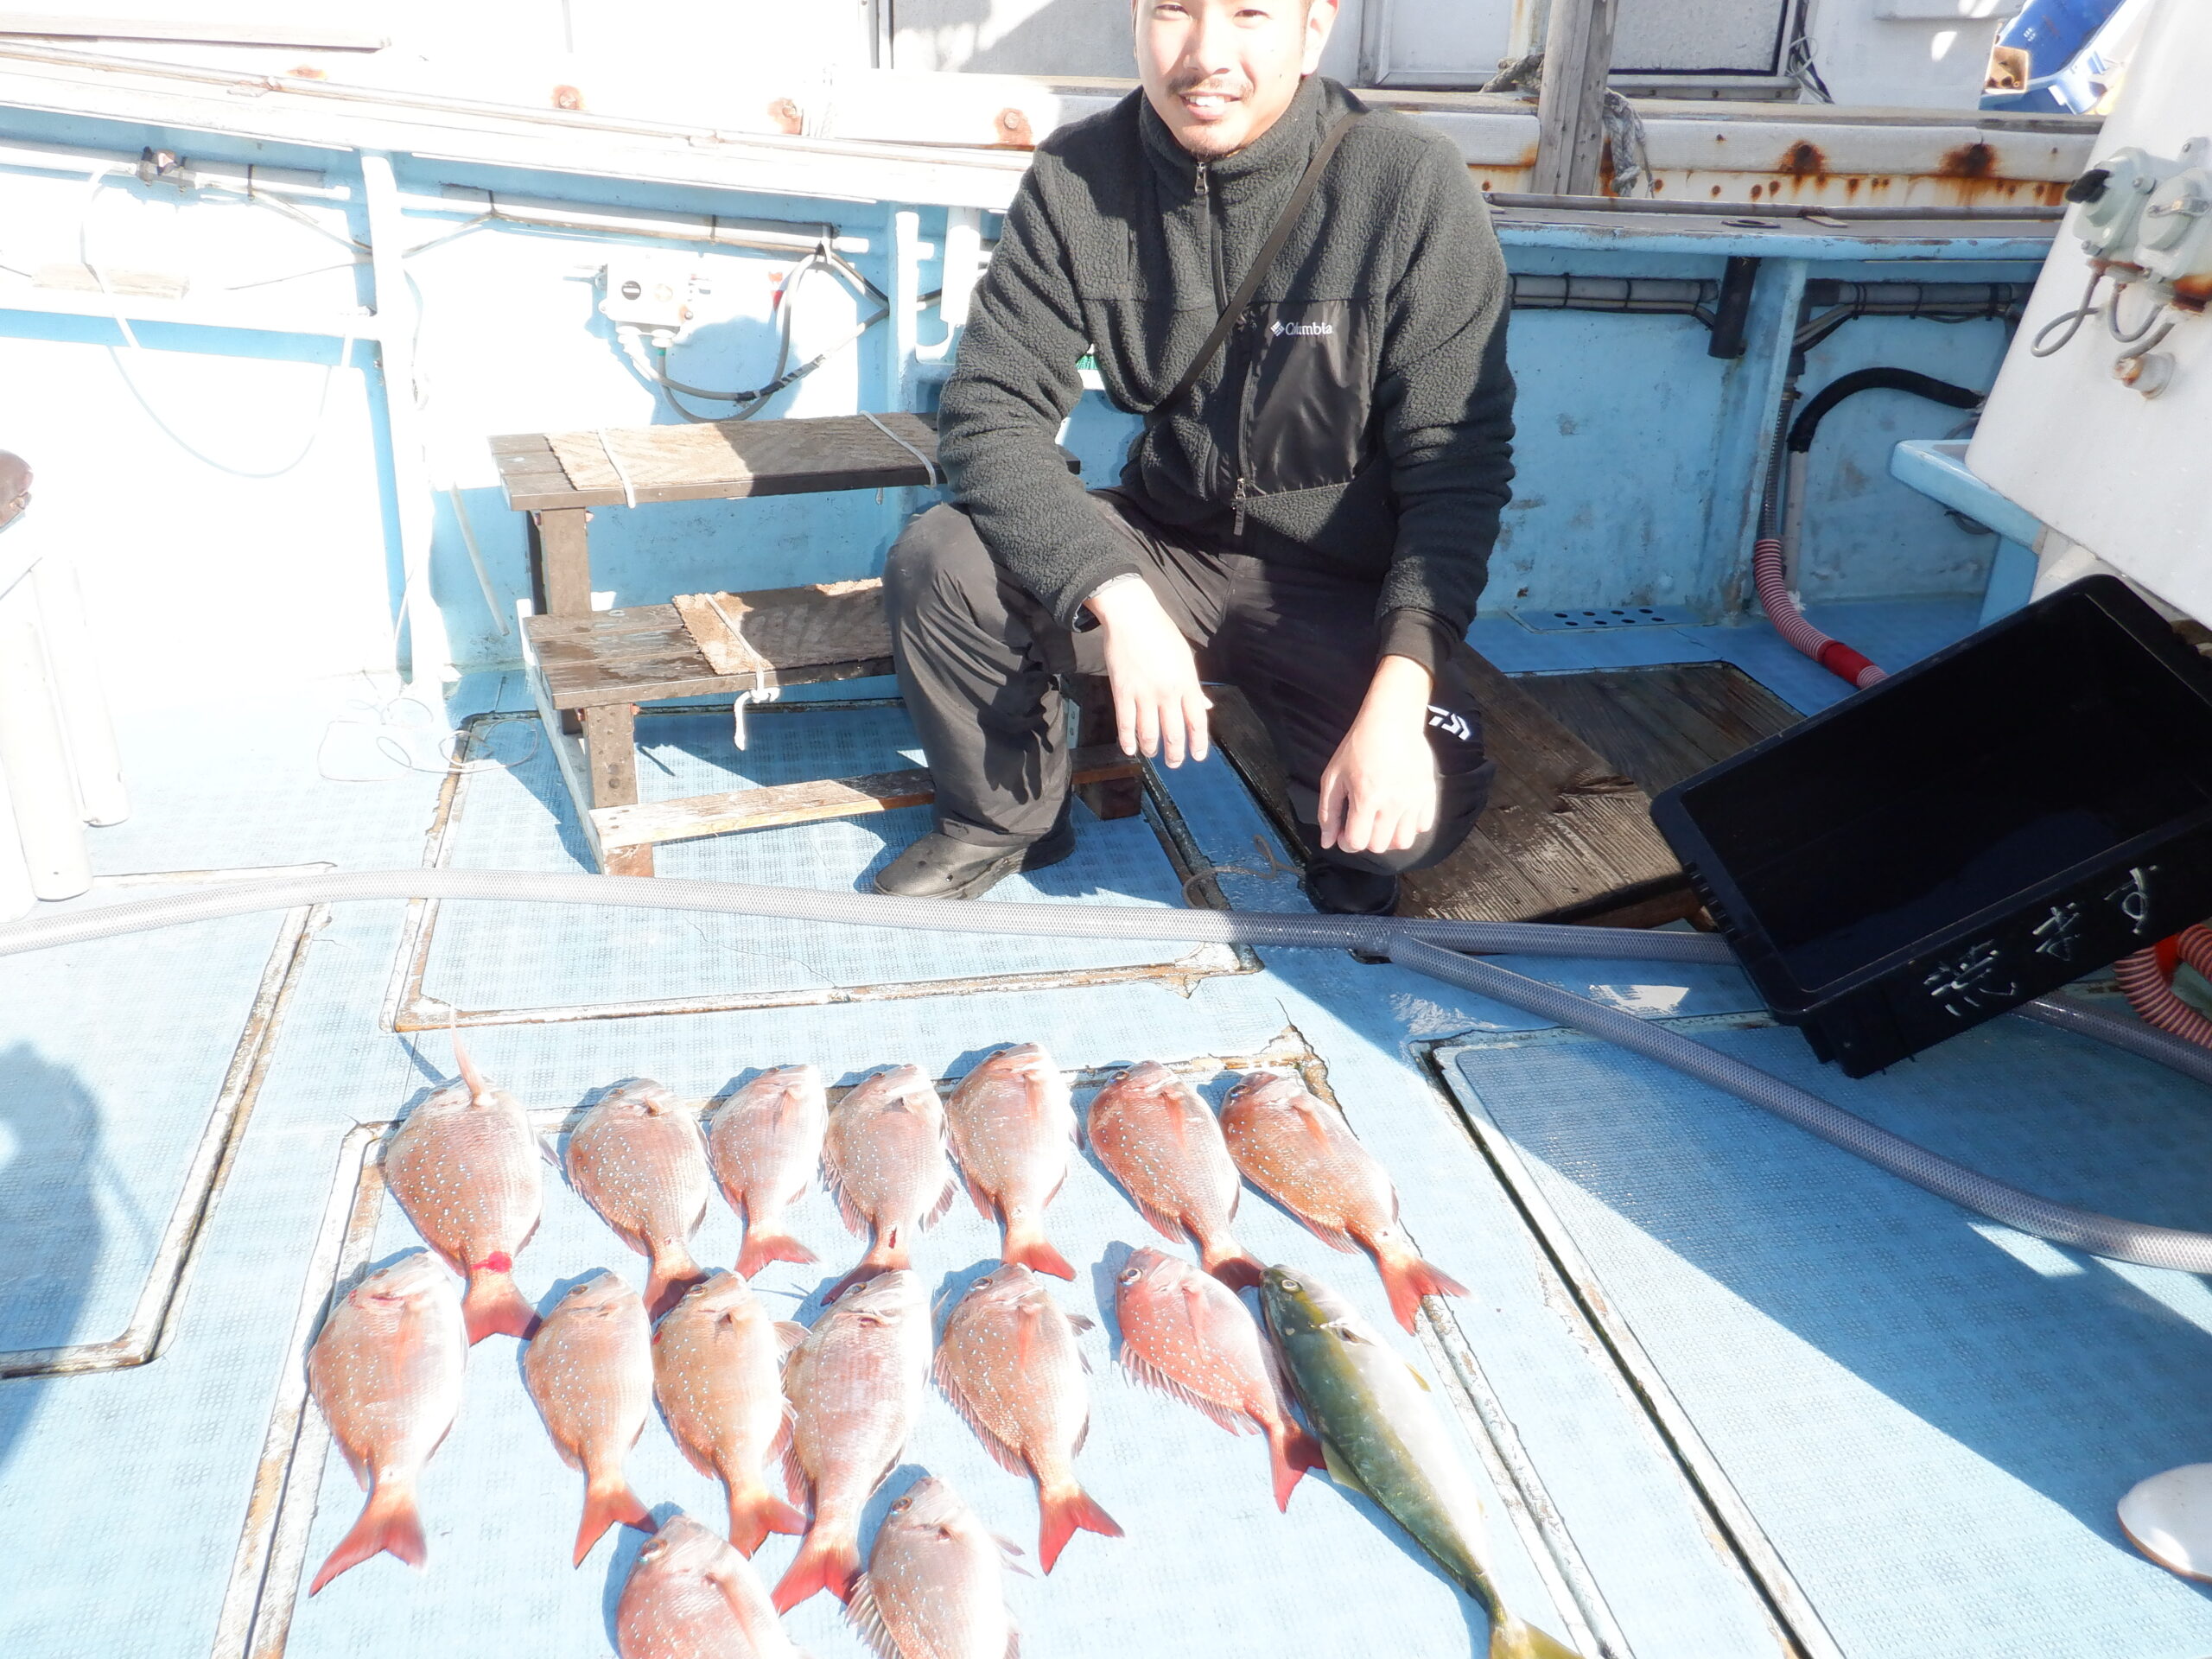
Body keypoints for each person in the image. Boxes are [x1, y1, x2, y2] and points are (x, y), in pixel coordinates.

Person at [876, 0, 1515, 913]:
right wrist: (1118, 596)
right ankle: (1003, 819)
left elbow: (1456, 470)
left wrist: (1398, 691)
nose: (1206, 54)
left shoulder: (1409, 179)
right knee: (941, 558)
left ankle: (1342, 829)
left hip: (1335, 584)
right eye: (1174, 10)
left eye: (1250, 13)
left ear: (1313, 29)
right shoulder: (1078, 174)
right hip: (1163, 544)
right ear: (1136, 22)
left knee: (1409, 823)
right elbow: (989, 414)